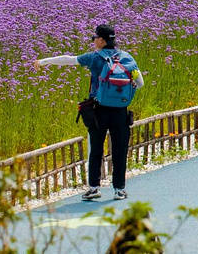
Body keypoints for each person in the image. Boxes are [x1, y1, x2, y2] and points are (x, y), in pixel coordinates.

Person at [35, 24, 144, 202]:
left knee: (95, 150)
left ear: (101, 40)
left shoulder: (94, 58)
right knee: (119, 150)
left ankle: (94, 188)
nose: (94, 41)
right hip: (120, 112)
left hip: (98, 111)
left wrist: (43, 61)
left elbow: (68, 59)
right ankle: (119, 190)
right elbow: (140, 83)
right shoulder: (127, 58)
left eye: (95, 38)